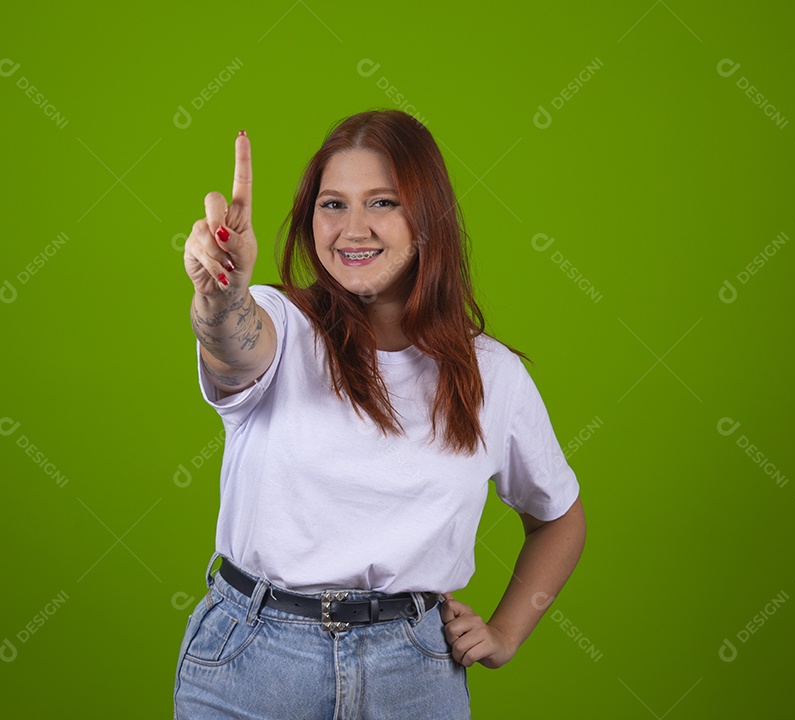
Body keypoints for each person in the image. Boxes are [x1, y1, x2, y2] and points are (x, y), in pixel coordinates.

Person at [175, 109, 586, 719]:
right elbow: (234, 350)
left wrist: (504, 634)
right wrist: (222, 296)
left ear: (427, 219)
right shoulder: (280, 324)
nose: (353, 229)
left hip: (414, 673)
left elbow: (558, 518)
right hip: (253, 664)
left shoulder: (491, 375)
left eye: (383, 203)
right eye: (332, 205)